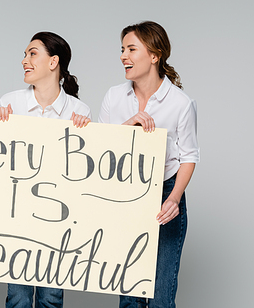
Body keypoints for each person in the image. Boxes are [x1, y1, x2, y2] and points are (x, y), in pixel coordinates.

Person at [98, 21, 199, 308]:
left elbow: (189, 156)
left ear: (154, 55)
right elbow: (98, 148)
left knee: (160, 297)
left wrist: (174, 198)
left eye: (131, 49)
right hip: (125, 194)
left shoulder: (180, 103)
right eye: (122, 49)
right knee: (129, 292)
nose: (123, 56)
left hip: (166, 192)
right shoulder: (114, 97)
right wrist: (128, 125)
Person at [0, 31, 91, 308]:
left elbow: (83, 174)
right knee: (18, 297)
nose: (25, 60)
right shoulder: (9, 102)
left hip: (57, 218)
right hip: (17, 216)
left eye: (32, 53)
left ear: (53, 62)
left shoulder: (78, 111)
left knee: (51, 297)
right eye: (25, 54)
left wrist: (88, 133)